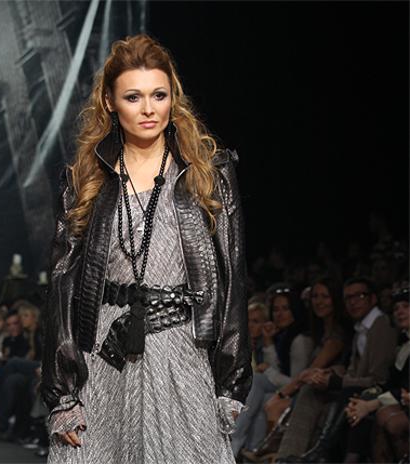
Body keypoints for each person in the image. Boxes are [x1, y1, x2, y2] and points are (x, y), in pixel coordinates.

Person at [40, 34, 251, 464]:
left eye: (159, 95)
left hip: (182, 350)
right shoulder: (85, 180)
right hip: (104, 352)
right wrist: (63, 393)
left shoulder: (208, 175)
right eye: (133, 97)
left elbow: (232, 278)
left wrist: (231, 381)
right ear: (110, 102)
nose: (149, 109)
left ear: (174, 98)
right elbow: (63, 285)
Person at [276, 276, 397, 463]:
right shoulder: (362, 326)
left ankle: (319, 452)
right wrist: (332, 373)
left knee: (330, 391)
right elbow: (353, 371)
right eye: (348, 298)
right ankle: (288, 456)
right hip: (359, 387)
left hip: (378, 392)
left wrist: (335, 381)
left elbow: (377, 379)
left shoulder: (381, 325)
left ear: (373, 298)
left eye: (359, 296)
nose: (353, 302)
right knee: (311, 389)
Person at [231, 284, 312, 456]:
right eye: (275, 309)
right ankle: (251, 451)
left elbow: (295, 382)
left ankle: (234, 443)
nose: (279, 314)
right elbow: (275, 373)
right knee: (264, 397)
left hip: (299, 395)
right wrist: (268, 341)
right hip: (277, 392)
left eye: (285, 309)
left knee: (257, 380)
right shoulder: (281, 336)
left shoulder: (299, 340)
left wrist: (267, 370)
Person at [343, 282, 409, 463]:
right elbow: (393, 384)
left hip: (405, 399)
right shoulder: (402, 345)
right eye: (396, 308)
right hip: (400, 397)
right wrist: (366, 402)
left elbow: (405, 390)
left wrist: (371, 405)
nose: (400, 312)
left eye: (406, 306)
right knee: (359, 398)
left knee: (384, 414)